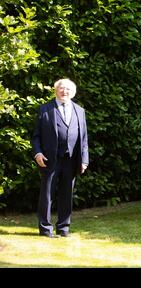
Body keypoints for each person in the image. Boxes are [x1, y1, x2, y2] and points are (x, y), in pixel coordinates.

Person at [31, 78, 89, 237]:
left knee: (67, 195)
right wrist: (38, 153)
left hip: (71, 160)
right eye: (61, 88)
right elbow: (36, 136)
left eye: (68, 89)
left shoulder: (80, 110)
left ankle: (63, 228)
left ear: (73, 92)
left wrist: (84, 159)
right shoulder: (45, 109)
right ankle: (45, 229)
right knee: (47, 195)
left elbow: (84, 138)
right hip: (49, 159)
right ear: (56, 90)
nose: (65, 91)